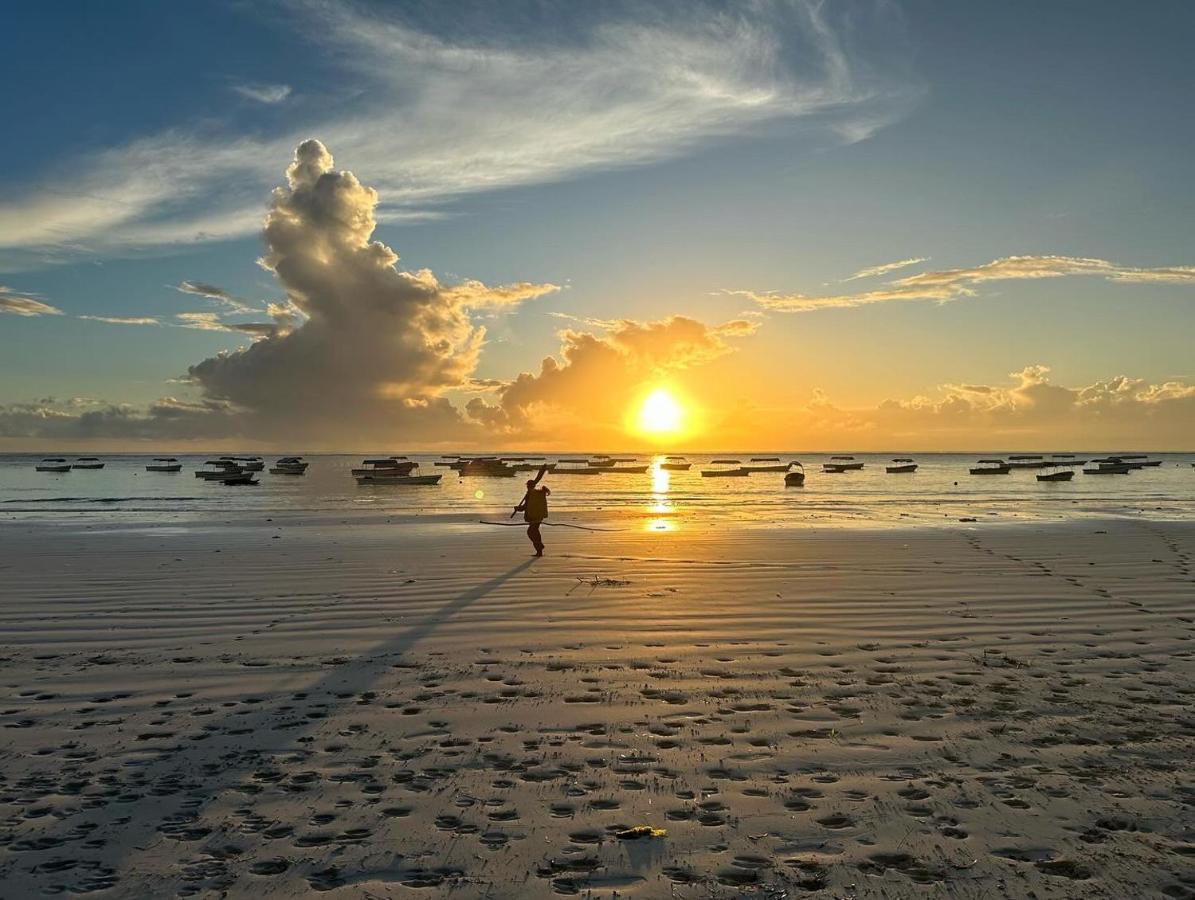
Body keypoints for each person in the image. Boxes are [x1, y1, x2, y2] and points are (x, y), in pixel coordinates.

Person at [515, 478, 551, 556]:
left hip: (534, 516)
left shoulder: (531, 494)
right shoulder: (536, 493)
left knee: (531, 532)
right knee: (534, 531)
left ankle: (539, 548)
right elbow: (529, 505)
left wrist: (518, 508)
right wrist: (519, 508)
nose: (527, 487)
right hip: (538, 515)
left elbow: (526, 506)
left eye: (528, 485)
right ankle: (539, 549)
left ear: (528, 486)